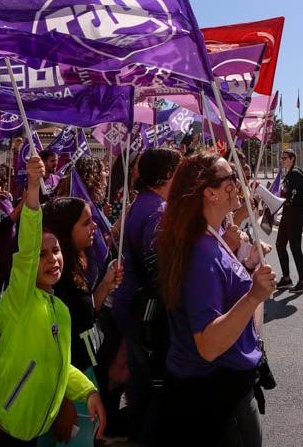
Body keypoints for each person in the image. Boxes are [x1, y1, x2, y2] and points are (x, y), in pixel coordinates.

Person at [0, 153, 106, 446]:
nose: (53, 259)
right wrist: (34, 188)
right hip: (6, 433)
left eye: (56, 250)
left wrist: (88, 392)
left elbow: (59, 363)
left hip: (34, 433)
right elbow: (28, 243)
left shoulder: (59, 307)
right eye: (41, 254)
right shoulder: (20, 298)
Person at [156, 152, 275, 446]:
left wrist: (245, 267)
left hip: (225, 387)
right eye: (230, 178)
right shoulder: (202, 253)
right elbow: (208, 345)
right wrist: (253, 295)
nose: (238, 183)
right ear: (210, 193)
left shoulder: (210, 238)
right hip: (218, 396)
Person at [111, 147, 182, 445]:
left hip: (133, 306)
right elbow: (157, 271)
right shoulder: (157, 210)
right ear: (167, 175)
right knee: (154, 385)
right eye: (180, 171)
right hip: (146, 312)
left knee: (141, 385)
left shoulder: (148, 202)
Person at [42, 197, 122, 447]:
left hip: (84, 373)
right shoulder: (55, 278)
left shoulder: (73, 265)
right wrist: (65, 400)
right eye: (86, 223)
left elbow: (84, 315)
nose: (94, 227)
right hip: (69, 381)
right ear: (67, 230)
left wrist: (106, 284)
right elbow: (50, 345)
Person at [275, 149, 303, 293]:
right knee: (280, 244)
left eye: (285, 158)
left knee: (295, 247)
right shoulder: (290, 174)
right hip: (287, 215)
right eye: (282, 158)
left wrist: (284, 200)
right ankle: (286, 278)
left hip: (295, 216)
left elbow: (296, 197)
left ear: (292, 158)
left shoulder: (296, 174)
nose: (282, 160)